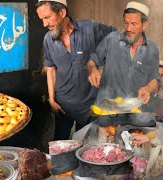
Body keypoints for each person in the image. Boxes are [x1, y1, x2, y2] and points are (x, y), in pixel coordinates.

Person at [35, 0, 116, 140]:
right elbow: (51, 70)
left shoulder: (90, 28)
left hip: (89, 105)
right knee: (60, 145)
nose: (44, 24)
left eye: (47, 17)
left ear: (62, 12)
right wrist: (52, 100)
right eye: (42, 19)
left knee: (86, 147)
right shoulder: (48, 40)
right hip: (63, 105)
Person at [86, 1, 159, 112]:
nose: (128, 28)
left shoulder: (152, 49)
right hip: (107, 109)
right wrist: (92, 70)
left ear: (144, 24)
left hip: (135, 110)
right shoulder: (111, 39)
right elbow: (92, 60)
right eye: (126, 23)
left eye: (134, 24)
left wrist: (148, 89)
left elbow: (155, 78)